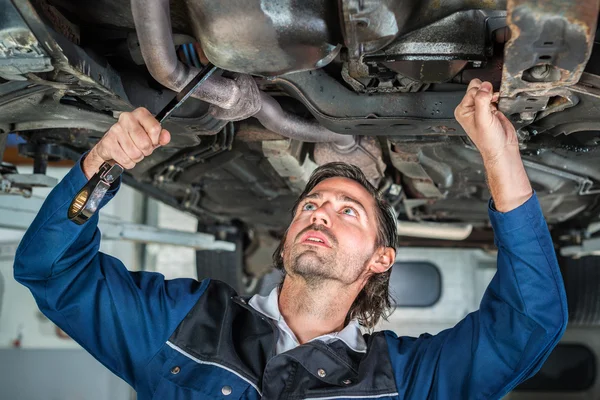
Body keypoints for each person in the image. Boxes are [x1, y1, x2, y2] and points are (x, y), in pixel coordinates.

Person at [14, 79, 567, 399]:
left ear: (382, 258)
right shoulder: (181, 322)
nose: (321, 213)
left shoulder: (407, 378)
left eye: (348, 210)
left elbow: (528, 325)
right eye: (311, 205)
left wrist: (500, 154)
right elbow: (53, 272)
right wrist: (101, 164)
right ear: (286, 243)